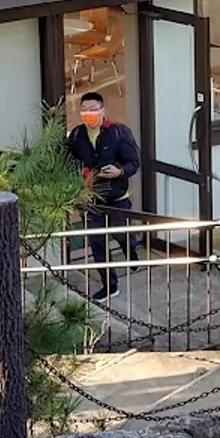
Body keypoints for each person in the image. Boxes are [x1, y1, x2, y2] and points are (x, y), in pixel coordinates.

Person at [65, 92, 141, 302]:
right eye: (84, 109)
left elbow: (134, 162)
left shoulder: (118, 132)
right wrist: (82, 174)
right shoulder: (77, 135)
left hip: (117, 198)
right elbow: (68, 160)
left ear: (102, 110)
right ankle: (110, 285)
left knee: (121, 234)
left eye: (93, 109)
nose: (88, 113)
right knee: (97, 243)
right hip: (90, 200)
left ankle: (131, 250)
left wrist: (120, 172)